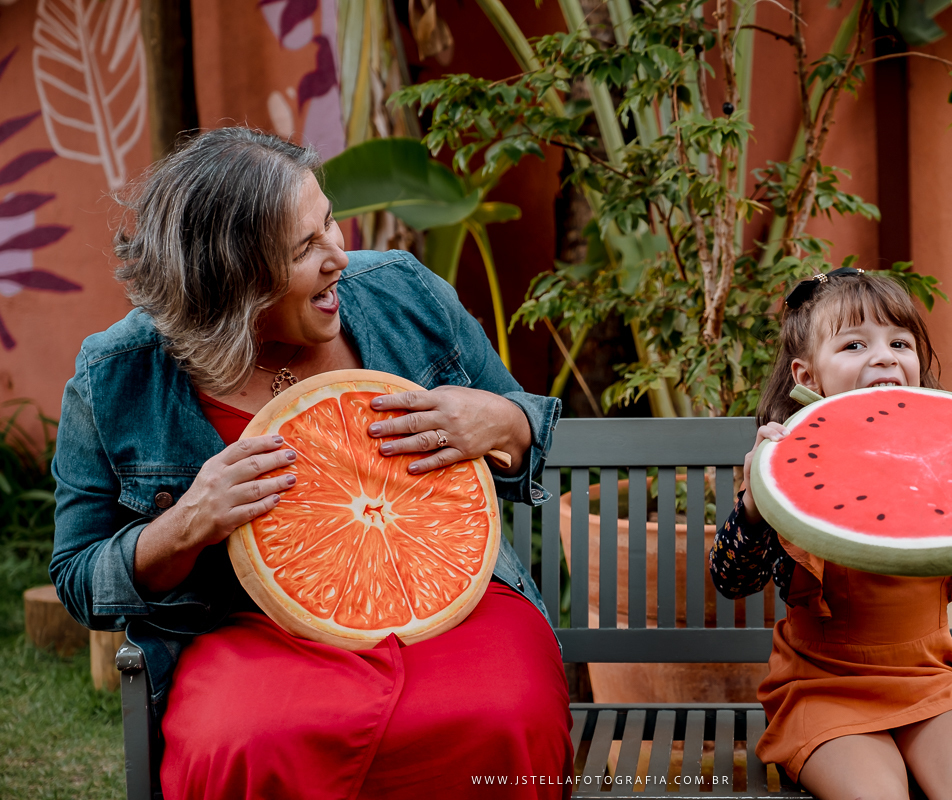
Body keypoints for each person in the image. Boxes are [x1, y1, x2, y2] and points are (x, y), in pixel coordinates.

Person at [49, 128, 572, 799]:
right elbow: (77, 576)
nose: (340, 259)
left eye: (330, 224)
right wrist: (185, 525)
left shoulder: (404, 295)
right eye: (305, 249)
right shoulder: (115, 375)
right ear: (230, 283)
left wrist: (504, 421)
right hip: (243, 627)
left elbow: (528, 431)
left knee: (503, 715)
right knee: (242, 743)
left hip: (450, 605)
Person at [708, 267, 952, 800]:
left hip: (928, 681)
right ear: (808, 374)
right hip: (821, 687)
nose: (884, 356)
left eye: (900, 342)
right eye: (855, 344)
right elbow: (731, 578)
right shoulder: (787, 465)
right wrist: (754, 505)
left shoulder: (948, 456)